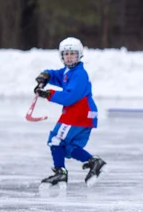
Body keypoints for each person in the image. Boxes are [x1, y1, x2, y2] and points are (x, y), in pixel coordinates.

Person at [34, 37, 107, 188]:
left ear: (79, 55)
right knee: (69, 147)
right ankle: (94, 162)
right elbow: (56, 75)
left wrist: (48, 94)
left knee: (56, 139)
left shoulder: (79, 74)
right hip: (83, 114)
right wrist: (45, 75)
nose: (69, 57)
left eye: (72, 54)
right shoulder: (69, 71)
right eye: (66, 54)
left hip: (78, 113)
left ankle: (61, 173)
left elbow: (69, 97)